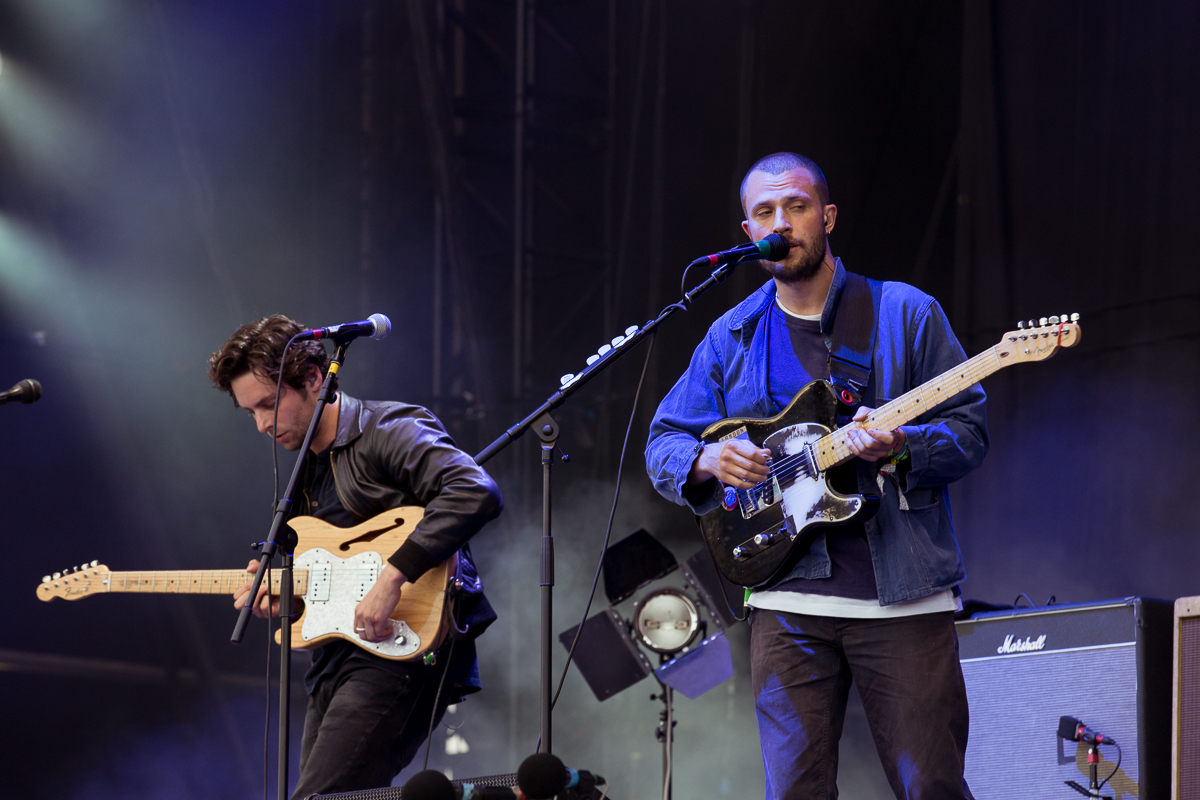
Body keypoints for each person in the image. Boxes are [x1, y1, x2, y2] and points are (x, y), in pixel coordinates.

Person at [645, 152, 988, 799]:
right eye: (765, 212)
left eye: (796, 206)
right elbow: (664, 440)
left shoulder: (905, 314)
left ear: (826, 216)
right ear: (748, 232)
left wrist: (900, 446)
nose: (783, 221)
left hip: (905, 597)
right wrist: (709, 459)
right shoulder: (732, 335)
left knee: (933, 787)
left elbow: (970, 436)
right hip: (786, 601)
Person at [208, 315, 503, 799]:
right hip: (337, 659)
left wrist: (392, 579)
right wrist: (285, 597)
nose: (262, 424)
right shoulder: (302, 472)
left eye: (269, 404)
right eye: (250, 413)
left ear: (314, 379)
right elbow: (333, 577)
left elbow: (474, 491)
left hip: (402, 649)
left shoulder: (389, 429)